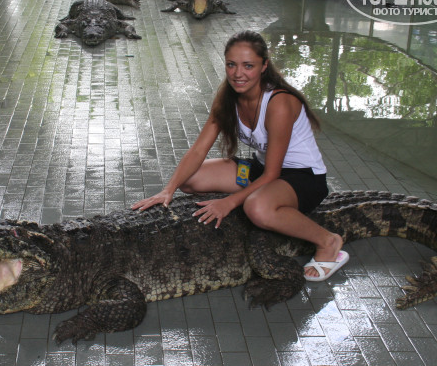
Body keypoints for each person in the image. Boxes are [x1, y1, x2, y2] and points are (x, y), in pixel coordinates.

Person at [132, 30, 348, 281]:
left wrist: (229, 202)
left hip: (303, 177)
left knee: (256, 208)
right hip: (261, 168)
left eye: (248, 66)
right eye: (231, 64)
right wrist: (168, 189)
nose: (238, 73)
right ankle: (255, 195)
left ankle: (328, 241)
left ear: (264, 66)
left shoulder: (279, 103)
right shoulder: (227, 98)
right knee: (190, 180)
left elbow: (273, 174)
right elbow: (199, 150)